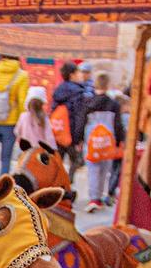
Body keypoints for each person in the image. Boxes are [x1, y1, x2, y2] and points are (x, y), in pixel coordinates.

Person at [0, 52, 30, 178]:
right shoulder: (22, 75)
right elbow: (22, 103)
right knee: (6, 158)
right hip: (10, 123)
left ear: (1, 56)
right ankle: (2, 185)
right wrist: (21, 125)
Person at [80, 72, 124, 210]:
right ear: (107, 85)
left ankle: (94, 198)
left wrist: (78, 139)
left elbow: (81, 122)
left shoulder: (88, 103)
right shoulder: (114, 104)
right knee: (105, 170)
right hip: (108, 142)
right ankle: (101, 196)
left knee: (93, 169)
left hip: (91, 142)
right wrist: (119, 141)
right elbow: (118, 124)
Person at [50, 61, 89, 171]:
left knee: (57, 162)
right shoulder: (79, 93)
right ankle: (67, 183)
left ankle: (54, 184)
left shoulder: (58, 90)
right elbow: (79, 116)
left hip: (58, 132)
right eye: (78, 72)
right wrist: (79, 138)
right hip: (71, 133)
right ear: (72, 75)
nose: (80, 75)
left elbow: (53, 111)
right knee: (76, 161)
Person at [15, 84, 55, 153]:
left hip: (24, 150)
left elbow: (17, 131)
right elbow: (49, 137)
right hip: (39, 151)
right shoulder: (44, 118)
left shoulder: (23, 116)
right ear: (42, 103)